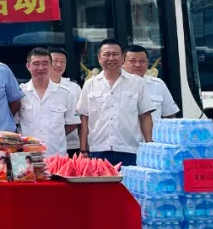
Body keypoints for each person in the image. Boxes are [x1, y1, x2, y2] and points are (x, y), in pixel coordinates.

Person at [77, 39, 155, 167]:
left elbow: (145, 116)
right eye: (106, 54)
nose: (111, 58)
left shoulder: (137, 83)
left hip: (130, 150)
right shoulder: (90, 84)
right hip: (98, 150)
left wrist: (150, 146)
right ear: (99, 58)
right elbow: (84, 118)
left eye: (115, 54)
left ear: (122, 57)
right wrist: (83, 150)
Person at [18, 47, 79, 157]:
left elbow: (72, 122)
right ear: (28, 66)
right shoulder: (20, 93)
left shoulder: (65, 93)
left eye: (45, 63)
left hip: (56, 156)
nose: (41, 68)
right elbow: (15, 123)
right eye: (36, 64)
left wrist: (55, 135)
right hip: (29, 157)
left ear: (50, 66)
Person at [123, 44, 180, 125]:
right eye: (132, 61)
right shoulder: (115, 86)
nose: (138, 65)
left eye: (142, 61)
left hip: (153, 133)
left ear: (147, 63)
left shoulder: (158, 84)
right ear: (122, 64)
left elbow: (170, 115)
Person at [49, 47, 82, 156]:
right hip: (45, 146)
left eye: (62, 62)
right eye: (55, 61)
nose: (59, 65)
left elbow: (79, 118)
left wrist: (57, 136)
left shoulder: (74, 87)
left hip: (71, 145)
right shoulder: (37, 87)